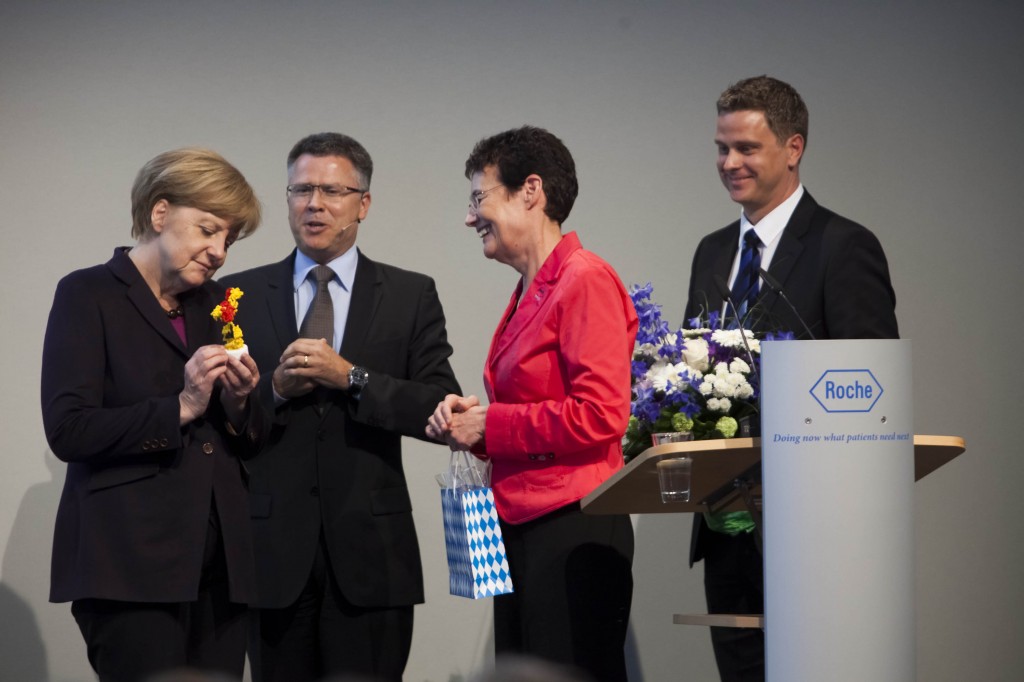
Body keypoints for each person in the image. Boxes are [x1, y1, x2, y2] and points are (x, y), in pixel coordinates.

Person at [221, 132, 460, 682]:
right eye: (301, 189)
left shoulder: (409, 293)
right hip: (271, 554)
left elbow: (438, 405)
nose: (315, 204)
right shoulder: (236, 295)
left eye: (332, 190)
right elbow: (220, 418)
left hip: (373, 554)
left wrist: (349, 377)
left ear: (363, 204)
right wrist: (275, 391)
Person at [684, 75, 899, 681]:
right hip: (727, 527)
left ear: (793, 147)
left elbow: (870, 390)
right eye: (722, 148)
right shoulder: (711, 251)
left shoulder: (843, 245)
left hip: (816, 533)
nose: (730, 163)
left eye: (747, 149)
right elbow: (692, 370)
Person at [41, 148, 265, 682]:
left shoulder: (220, 303)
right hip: (127, 563)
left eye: (228, 240)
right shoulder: (87, 293)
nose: (218, 252)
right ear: (160, 214)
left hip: (220, 567)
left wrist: (239, 404)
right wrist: (181, 407)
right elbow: (69, 429)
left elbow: (248, 438)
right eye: (208, 230)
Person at [427, 126, 638, 682]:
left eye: (479, 198)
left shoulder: (584, 279)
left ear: (531, 191)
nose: (470, 217)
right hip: (525, 523)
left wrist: (490, 425)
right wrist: (468, 421)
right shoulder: (534, 285)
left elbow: (600, 414)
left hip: (573, 527)